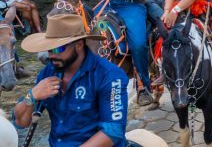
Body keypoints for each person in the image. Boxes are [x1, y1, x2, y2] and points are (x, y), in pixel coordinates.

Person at [16, 14, 128, 147]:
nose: (52, 55)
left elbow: (113, 131)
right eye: (49, 50)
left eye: (59, 48)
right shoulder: (48, 72)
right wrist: (32, 95)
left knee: (138, 44)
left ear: (79, 45)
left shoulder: (109, 75)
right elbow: (21, 122)